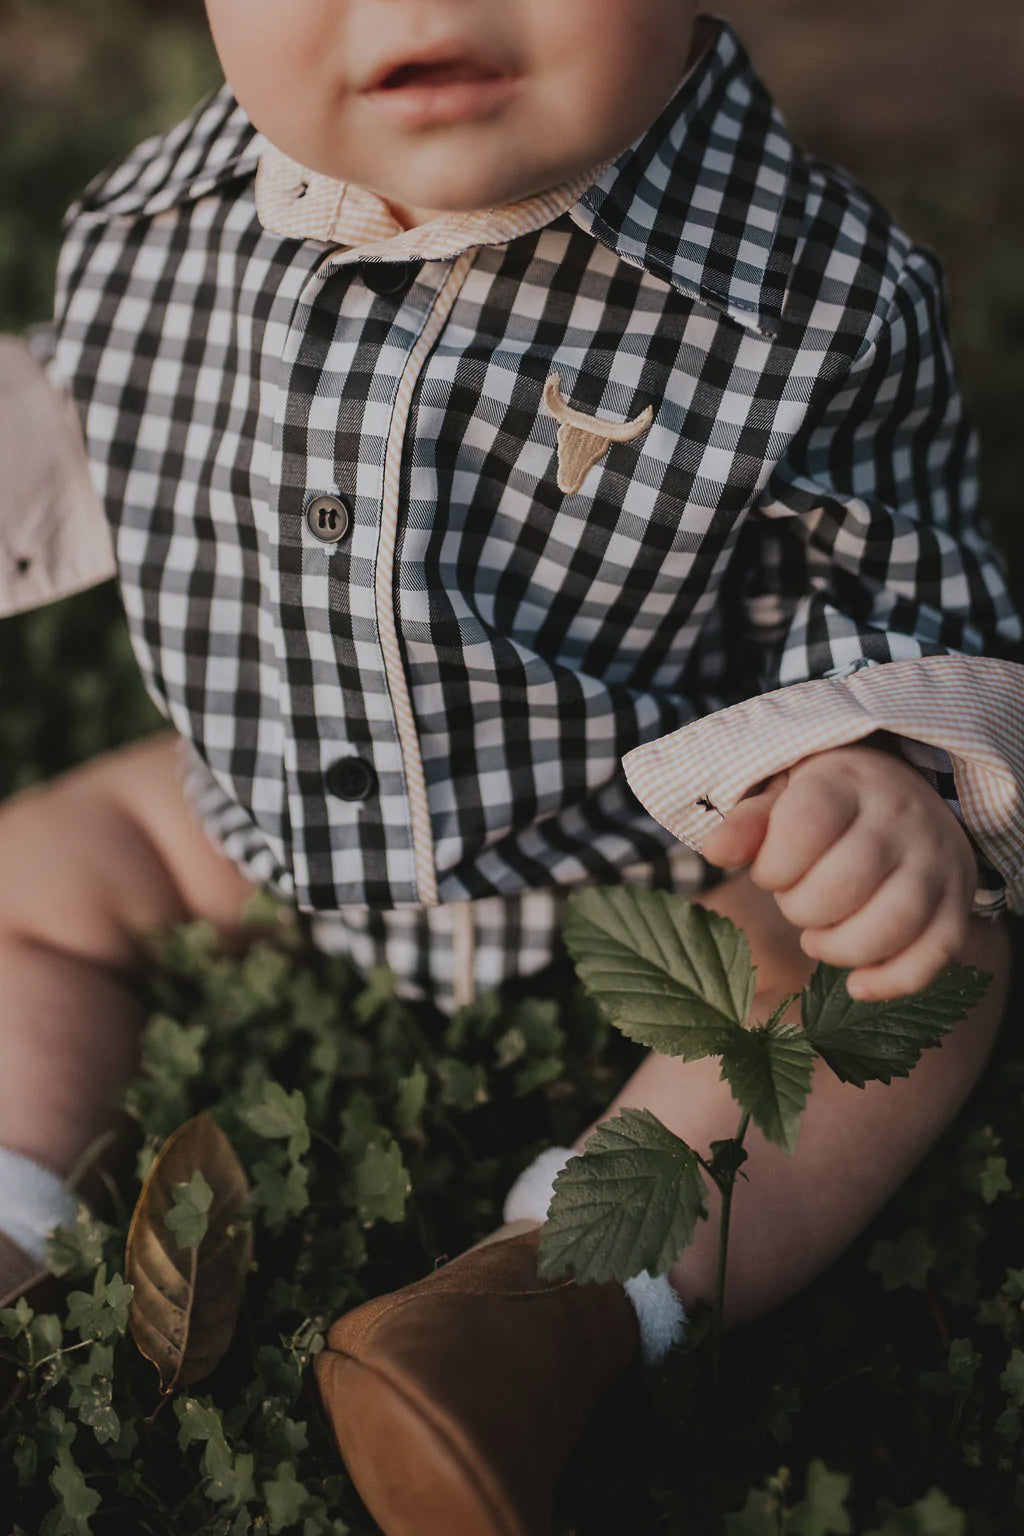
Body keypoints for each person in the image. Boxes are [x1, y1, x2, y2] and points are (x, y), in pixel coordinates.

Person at [0, 2, 1021, 1531]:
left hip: (665, 863)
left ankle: (552, 1303)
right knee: (30, 876)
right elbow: (95, 417)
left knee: (913, 979)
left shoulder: (814, 297)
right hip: (261, 821)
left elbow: (891, 581)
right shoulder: (160, 225)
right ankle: (10, 1203)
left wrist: (869, 770)